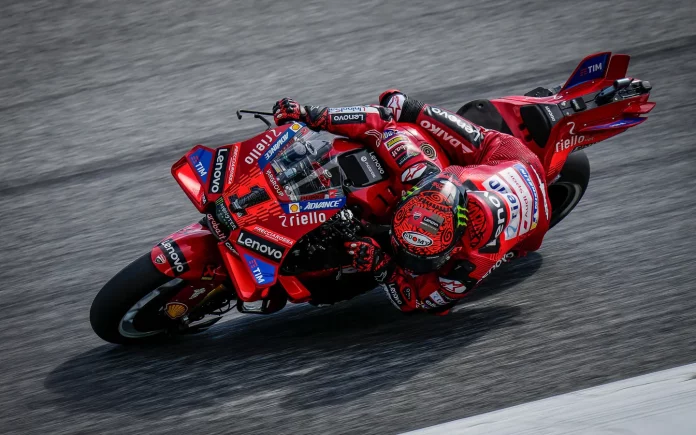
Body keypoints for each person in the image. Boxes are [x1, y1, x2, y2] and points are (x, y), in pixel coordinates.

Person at [272, 91, 551, 314]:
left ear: (453, 248)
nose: (398, 250)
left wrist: (385, 269)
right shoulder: (419, 172)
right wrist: (311, 115)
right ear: (411, 195)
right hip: (495, 166)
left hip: (526, 194)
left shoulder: (472, 262)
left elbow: (420, 303)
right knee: (397, 104)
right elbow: (379, 121)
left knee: (514, 253)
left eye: (415, 256)